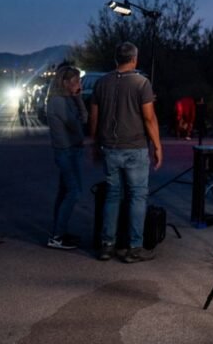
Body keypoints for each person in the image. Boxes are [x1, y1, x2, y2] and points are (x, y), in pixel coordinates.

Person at [89, 42, 163, 263]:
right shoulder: (142, 83)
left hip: (110, 147)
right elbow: (149, 117)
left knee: (112, 195)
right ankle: (134, 247)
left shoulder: (101, 83)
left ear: (115, 59)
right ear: (134, 59)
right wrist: (157, 145)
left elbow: (94, 117)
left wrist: (94, 143)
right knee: (137, 196)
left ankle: (107, 245)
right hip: (135, 148)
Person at [45, 66, 87, 250]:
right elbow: (75, 124)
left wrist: (78, 98)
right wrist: (80, 135)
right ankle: (57, 236)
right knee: (74, 192)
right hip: (66, 151)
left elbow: (83, 118)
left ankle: (59, 231)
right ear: (64, 82)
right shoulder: (57, 101)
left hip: (71, 150)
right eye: (75, 81)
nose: (79, 85)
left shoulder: (67, 99)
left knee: (64, 192)